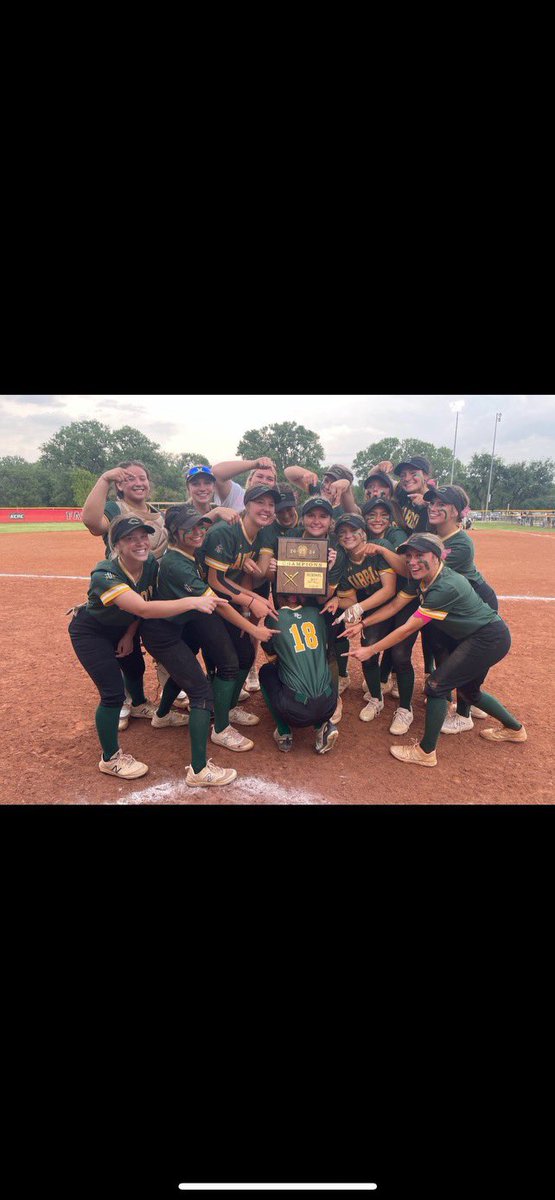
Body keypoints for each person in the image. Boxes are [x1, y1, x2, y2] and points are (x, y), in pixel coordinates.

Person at [68, 514, 237, 786]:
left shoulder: (149, 567)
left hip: (123, 629)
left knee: (135, 668)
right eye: (130, 538)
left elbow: (141, 609)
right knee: (111, 693)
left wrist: (129, 633)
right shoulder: (105, 573)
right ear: (117, 546)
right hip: (92, 633)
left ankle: (148, 711)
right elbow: (143, 607)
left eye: (143, 536)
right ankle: (110, 758)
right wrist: (192, 602)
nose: (139, 543)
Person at [341, 532, 526, 768]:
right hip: (480, 637)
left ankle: (426, 752)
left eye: (420, 555)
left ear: (437, 556)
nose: (412, 561)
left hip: (487, 639)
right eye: (409, 556)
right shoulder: (424, 578)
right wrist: (363, 623)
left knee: (437, 686)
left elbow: (407, 629)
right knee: (470, 693)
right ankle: (514, 729)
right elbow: (396, 604)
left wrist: (371, 650)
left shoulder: (444, 586)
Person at [140, 505, 277, 757]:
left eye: (201, 526)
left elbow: (221, 580)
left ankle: (162, 715)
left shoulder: (193, 550)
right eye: (189, 528)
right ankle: (220, 729)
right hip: (165, 632)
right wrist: (253, 628)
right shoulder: (177, 564)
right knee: (213, 677)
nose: (198, 531)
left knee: (186, 670)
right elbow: (218, 603)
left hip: (182, 623)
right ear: (174, 532)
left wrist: (252, 594)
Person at [201, 484, 280, 722]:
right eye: (260, 503)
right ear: (246, 505)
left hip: (229, 602)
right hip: (205, 603)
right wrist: (251, 599)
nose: (266, 509)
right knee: (226, 662)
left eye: (271, 504)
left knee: (245, 655)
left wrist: (256, 599)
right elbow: (214, 580)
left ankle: (229, 707)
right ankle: (217, 717)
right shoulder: (225, 532)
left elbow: (245, 575)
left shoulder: (261, 533)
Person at [321, 513, 396, 722]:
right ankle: (376, 697)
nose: (348, 536)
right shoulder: (343, 562)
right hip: (373, 610)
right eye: (342, 532)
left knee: (399, 653)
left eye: (353, 531)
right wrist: (338, 601)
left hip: (396, 606)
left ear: (363, 533)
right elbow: (350, 599)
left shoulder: (377, 548)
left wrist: (359, 608)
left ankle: (403, 703)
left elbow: (389, 590)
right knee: (369, 651)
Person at [259, 593, 339, 755]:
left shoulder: (275, 617)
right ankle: (322, 725)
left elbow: (271, 656)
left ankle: (284, 732)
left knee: (266, 672)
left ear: (279, 596)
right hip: (329, 704)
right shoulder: (317, 614)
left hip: (295, 711)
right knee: (320, 665)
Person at [210, 455, 278, 513]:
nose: (264, 481)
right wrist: (253, 464)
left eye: (270, 479)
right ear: (250, 479)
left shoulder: (277, 504)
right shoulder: (238, 494)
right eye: (259, 476)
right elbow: (216, 473)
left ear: (274, 484)